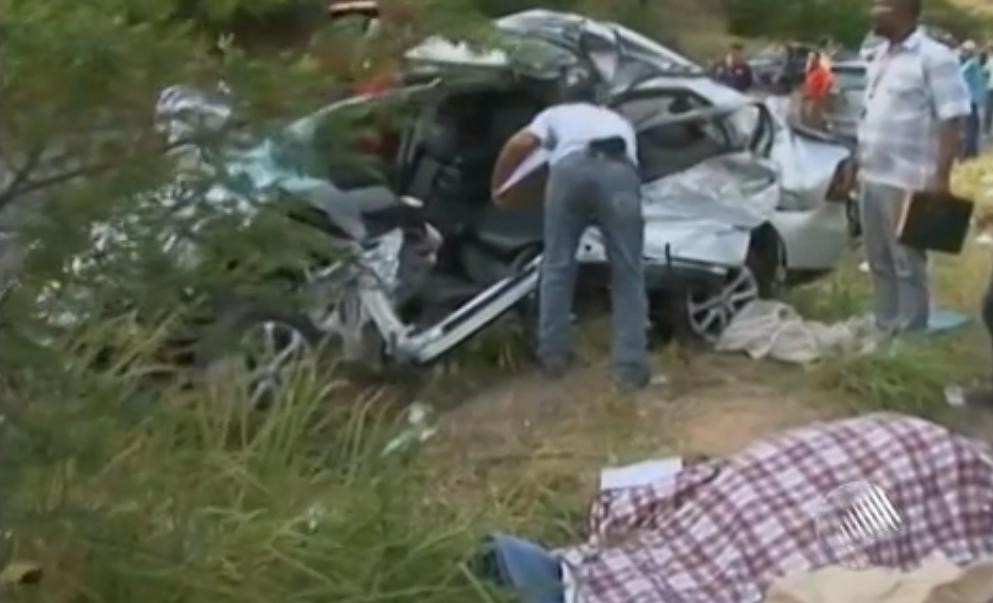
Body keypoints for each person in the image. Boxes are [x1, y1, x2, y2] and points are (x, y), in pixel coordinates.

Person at [490, 72, 650, 391]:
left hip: (568, 170)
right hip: (619, 171)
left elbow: (521, 143)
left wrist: (500, 183)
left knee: (557, 265)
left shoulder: (556, 114)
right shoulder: (617, 120)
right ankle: (629, 370)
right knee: (627, 272)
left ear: (565, 96)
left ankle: (553, 358)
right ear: (598, 98)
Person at [858, 0, 971, 335]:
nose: (873, 11)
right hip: (871, 173)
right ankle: (885, 325)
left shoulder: (935, 58)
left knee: (907, 263)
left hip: (908, 179)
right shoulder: (879, 56)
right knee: (878, 260)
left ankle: (909, 336)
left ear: (906, 10)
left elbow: (952, 119)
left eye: (882, 5)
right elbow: (869, 114)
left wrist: (941, 178)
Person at [959, 40, 986, 158]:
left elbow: (960, 73)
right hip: (970, 99)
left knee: (969, 127)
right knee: (971, 126)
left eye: (965, 51)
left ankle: (969, 152)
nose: (962, 53)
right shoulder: (971, 62)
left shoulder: (971, 63)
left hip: (971, 99)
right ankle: (971, 151)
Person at [802, 38, 835, 130]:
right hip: (809, 98)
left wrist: (821, 94)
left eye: (812, 59)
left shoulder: (821, 71)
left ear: (817, 59)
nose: (810, 61)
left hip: (816, 99)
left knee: (815, 120)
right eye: (809, 59)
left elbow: (828, 82)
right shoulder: (810, 71)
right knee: (808, 120)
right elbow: (807, 84)